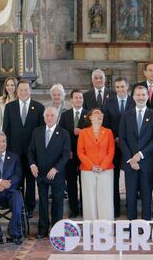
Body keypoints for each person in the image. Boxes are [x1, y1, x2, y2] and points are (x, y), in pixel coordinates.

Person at [119, 85, 153, 221]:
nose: (141, 97)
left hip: (146, 163)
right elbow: (122, 138)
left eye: (143, 94)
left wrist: (140, 155)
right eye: (138, 95)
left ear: (147, 96)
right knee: (130, 197)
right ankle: (131, 225)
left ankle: (146, 228)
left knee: (147, 197)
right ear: (133, 97)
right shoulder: (126, 116)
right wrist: (131, 159)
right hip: (130, 164)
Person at [3, 80, 45, 219]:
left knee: (31, 181)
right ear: (17, 91)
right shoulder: (9, 107)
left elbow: (41, 132)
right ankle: (18, 206)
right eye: (21, 90)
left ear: (30, 90)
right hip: (14, 152)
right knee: (17, 180)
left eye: (26, 90)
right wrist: (6, 151)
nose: (23, 92)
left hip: (32, 153)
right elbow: (6, 130)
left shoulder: (38, 107)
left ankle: (30, 207)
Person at [28, 107, 70, 239]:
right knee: (43, 202)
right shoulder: (37, 131)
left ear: (57, 117)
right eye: (47, 115)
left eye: (52, 115)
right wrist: (32, 164)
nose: (49, 118)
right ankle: (43, 229)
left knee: (57, 202)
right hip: (40, 173)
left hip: (57, 174)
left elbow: (65, 155)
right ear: (44, 117)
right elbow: (31, 151)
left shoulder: (64, 133)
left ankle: (57, 230)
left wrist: (56, 168)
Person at [102, 76, 135, 218]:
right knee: (113, 179)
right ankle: (114, 209)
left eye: (122, 86)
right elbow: (106, 124)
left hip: (130, 147)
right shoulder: (108, 103)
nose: (120, 89)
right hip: (113, 145)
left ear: (127, 87)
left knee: (131, 180)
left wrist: (125, 140)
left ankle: (130, 208)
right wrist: (115, 138)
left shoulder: (135, 102)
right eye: (117, 87)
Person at [77, 109, 115, 221]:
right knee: (89, 199)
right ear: (90, 117)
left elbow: (111, 151)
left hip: (106, 170)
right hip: (88, 170)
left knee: (105, 198)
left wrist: (102, 166)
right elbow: (80, 152)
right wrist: (91, 166)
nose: (98, 115)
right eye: (95, 113)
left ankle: (106, 227)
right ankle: (91, 227)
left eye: (100, 114)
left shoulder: (108, 132)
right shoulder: (83, 132)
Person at [59, 89, 88, 218]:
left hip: (85, 155)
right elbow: (61, 135)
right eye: (76, 98)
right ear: (71, 100)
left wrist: (82, 131)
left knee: (84, 182)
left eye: (80, 98)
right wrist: (67, 151)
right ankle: (74, 209)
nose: (78, 100)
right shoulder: (65, 115)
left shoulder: (88, 115)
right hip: (70, 154)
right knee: (71, 183)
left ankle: (85, 208)